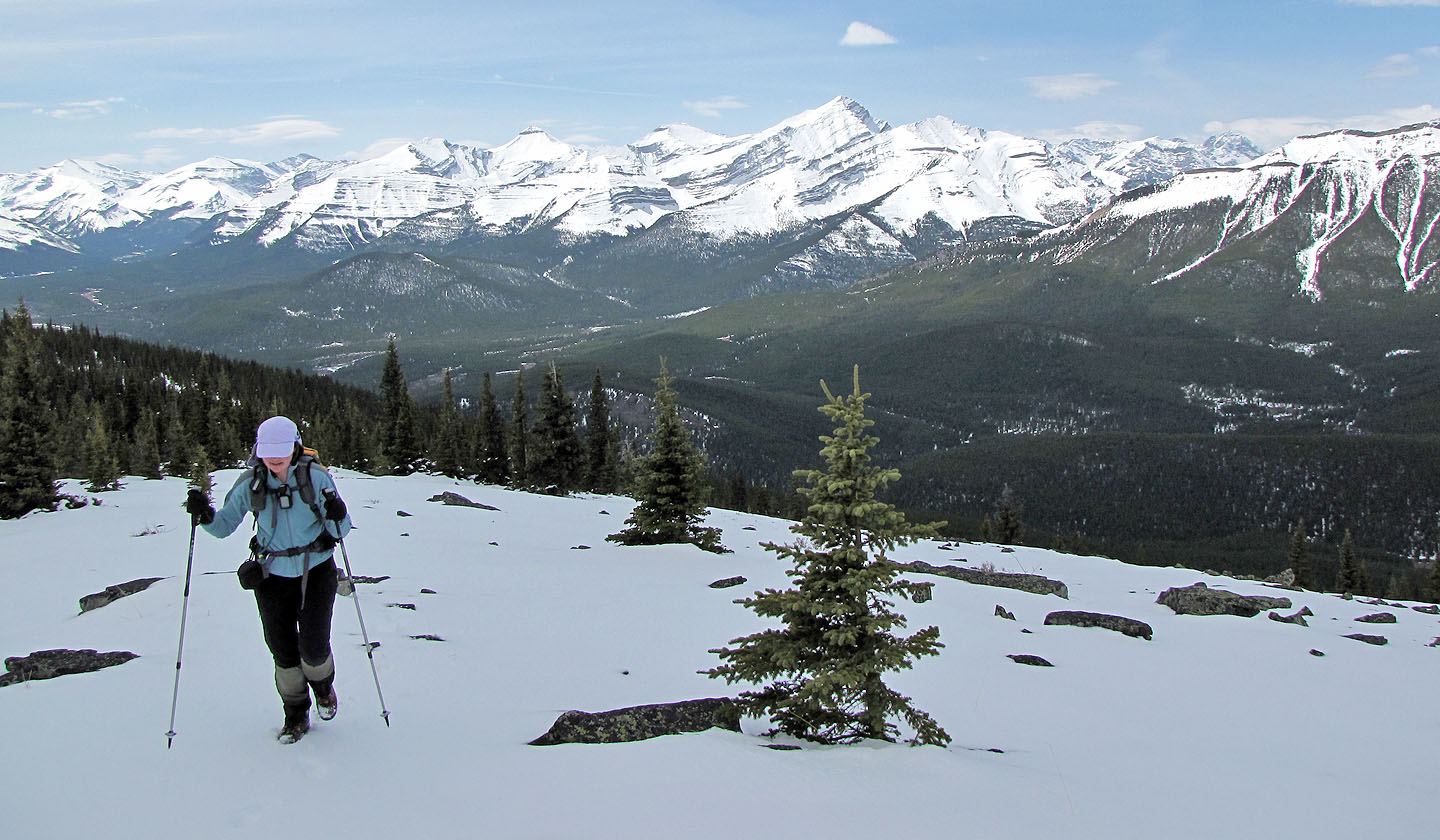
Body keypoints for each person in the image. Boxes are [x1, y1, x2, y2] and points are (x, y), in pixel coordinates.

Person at [184, 415, 354, 744]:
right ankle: (295, 715)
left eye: (280, 451)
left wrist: (338, 512)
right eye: (267, 451)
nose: (274, 459)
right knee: (283, 651)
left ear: (294, 447)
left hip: (316, 569)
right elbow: (222, 526)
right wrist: (204, 515)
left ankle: (322, 688)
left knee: (314, 647)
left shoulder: (316, 478)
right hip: (271, 576)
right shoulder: (251, 482)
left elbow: (339, 532)